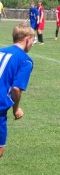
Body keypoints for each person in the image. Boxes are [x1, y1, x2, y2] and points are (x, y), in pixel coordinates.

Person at [0, 23, 34, 158]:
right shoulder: (25, 60)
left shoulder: (1, 51)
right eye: (33, 40)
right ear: (27, 39)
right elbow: (16, 88)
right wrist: (16, 109)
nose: (33, 44)